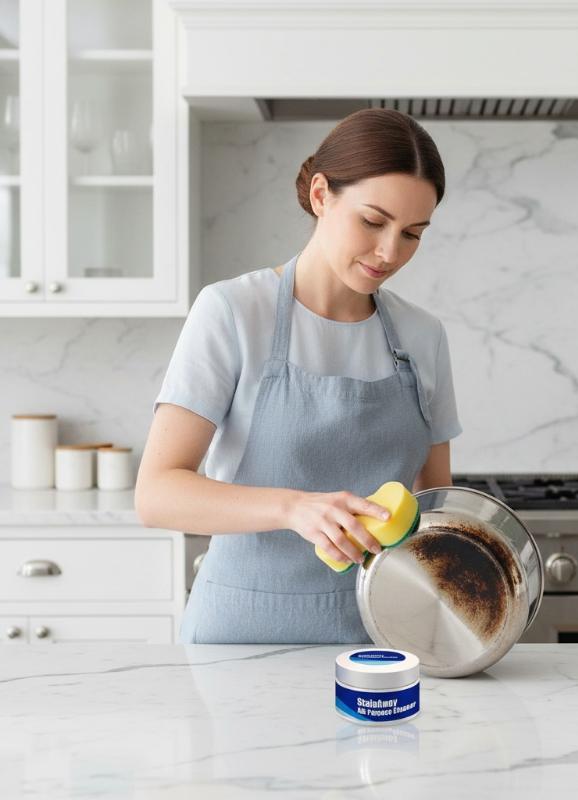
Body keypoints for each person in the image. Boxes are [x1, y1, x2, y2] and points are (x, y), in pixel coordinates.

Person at [135, 108, 462, 644]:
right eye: (372, 222)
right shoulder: (233, 312)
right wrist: (294, 508)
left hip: (382, 641)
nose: (389, 252)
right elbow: (156, 494)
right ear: (320, 195)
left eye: (412, 234)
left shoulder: (422, 335)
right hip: (240, 639)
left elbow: (434, 506)